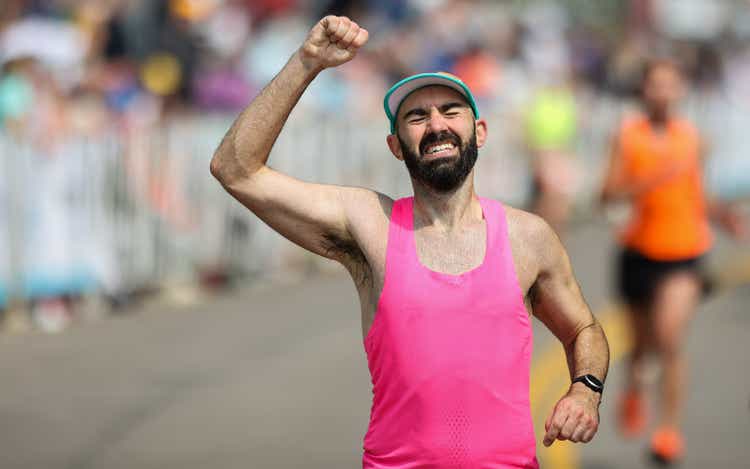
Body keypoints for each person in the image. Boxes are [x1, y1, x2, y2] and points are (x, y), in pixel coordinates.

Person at [211, 16, 609, 468]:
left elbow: (584, 330)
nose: (436, 125)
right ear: (396, 145)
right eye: (417, 117)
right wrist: (307, 63)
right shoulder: (369, 224)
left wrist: (585, 390)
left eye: (450, 111)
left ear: (479, 132)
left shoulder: (528, 237)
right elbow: (236, 169)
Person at [601, 59, 746, 465]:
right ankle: (634, 386)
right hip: (638, 252)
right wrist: (645, 181)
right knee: (643, 344)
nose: (663, 92)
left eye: (671, 84)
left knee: (669, 339)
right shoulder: (627, 137)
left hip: (683, 253)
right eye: (655, 85)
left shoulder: (693, 137)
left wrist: (722, 216)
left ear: (681, 89)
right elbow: (606, 195)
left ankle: (668, 430)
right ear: (643, 91)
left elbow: (696, 192)